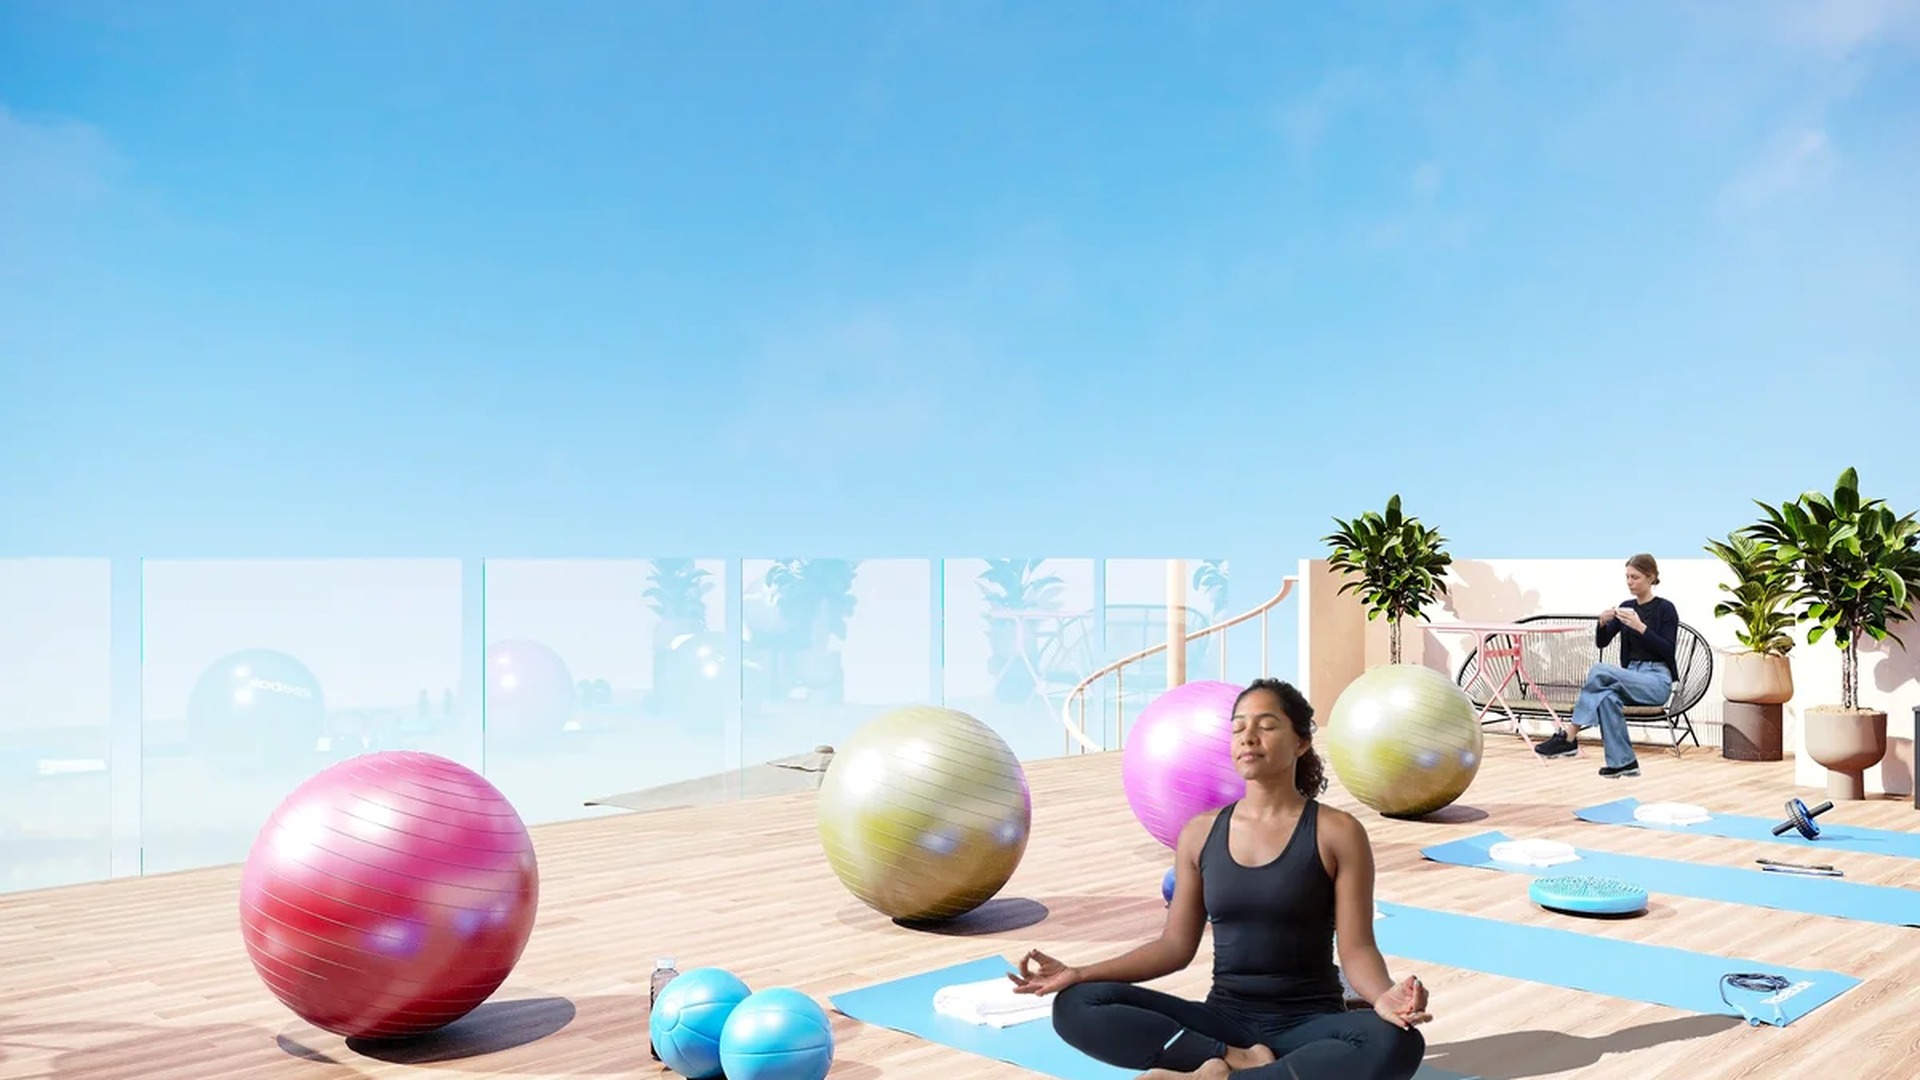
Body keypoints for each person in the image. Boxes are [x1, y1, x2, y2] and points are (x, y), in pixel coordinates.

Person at [1008, 678, 1429, 1080]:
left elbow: (1357, 949)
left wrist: (1383, 996)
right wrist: (1080, 973)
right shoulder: (1199, 833)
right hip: (1223, 1024)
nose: (1249, 737)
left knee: (1397, 1041)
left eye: (1267, 726)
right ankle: (1234, 1061)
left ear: (1301, 742)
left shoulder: (1337, 832)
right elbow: (1174, 947)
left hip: (1308, 1022)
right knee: (1076, 1005)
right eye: (1238, 728)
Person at [1532, 552, 1680, 778]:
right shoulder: (1626, 607)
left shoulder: (1665, 609)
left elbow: (1668, 650)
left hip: (1657, 680)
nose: (1630, 582)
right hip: (1632, 676)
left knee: (1600, 670)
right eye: (1628, 577)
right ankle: (1624, 763)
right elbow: (1602, 642)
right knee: (1607, 698)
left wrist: (1641, 627)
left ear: (1651, 577)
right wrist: (1602, 623)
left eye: (1635, 577)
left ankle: (1569, 736)